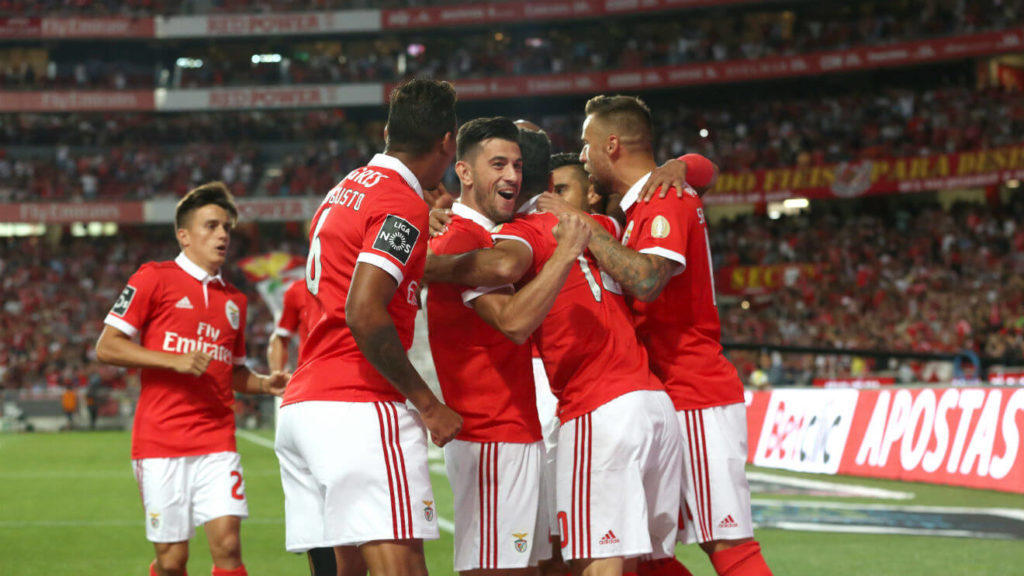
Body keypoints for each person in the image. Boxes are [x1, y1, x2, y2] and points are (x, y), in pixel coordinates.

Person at [545, 94, 773, 576]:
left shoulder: (664, 198)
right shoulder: (644, 204)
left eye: (586, 145)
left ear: (611, 145)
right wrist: (685, 164)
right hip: (662, 398)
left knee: (728, 545)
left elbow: (648, 280)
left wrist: (580, 225)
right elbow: (705, 170)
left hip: (696, 393)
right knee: (647, 556)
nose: (582, 157)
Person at [426, 153, 683, 576]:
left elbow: (505, 270)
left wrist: (423, 263)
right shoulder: (604, 227)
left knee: (594, 560)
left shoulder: (521, 233)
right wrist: (683, 165)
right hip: (654, 405)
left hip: (597, 409)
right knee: (645, 561)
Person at [273, 78, 463, 576]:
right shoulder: (400, 202)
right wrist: (428, 405)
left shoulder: (344, 189)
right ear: (448, 142)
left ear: (387, 132)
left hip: (304, 407)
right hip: (358, 405)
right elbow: (363, 311)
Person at [95, 181, 289, 576]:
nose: (222, 235)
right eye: (212, 226)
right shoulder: (153, 278)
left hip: (216, 439)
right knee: (172, 561)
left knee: (229, 546)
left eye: (226, 228)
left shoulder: (235, 300)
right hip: (160, 441)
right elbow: (107, 346)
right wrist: (172, 360)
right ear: (184, 236)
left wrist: (263, 383)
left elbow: (232, 372)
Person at [427, 117, 590, 576]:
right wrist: (564, 254)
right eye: (498, 164)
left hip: (513, 430)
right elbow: (513, 324)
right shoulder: (465, 236)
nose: (512, 176)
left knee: (533, 567)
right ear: (464, 172)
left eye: (517, 165)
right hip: (490, 435)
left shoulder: (485, 233)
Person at [264, 277, 337, 576]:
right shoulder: (298, 289)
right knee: (319, 509)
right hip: (314, 397)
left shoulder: (366, 275)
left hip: (343, 395)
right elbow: (280, 337)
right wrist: (278, 374)